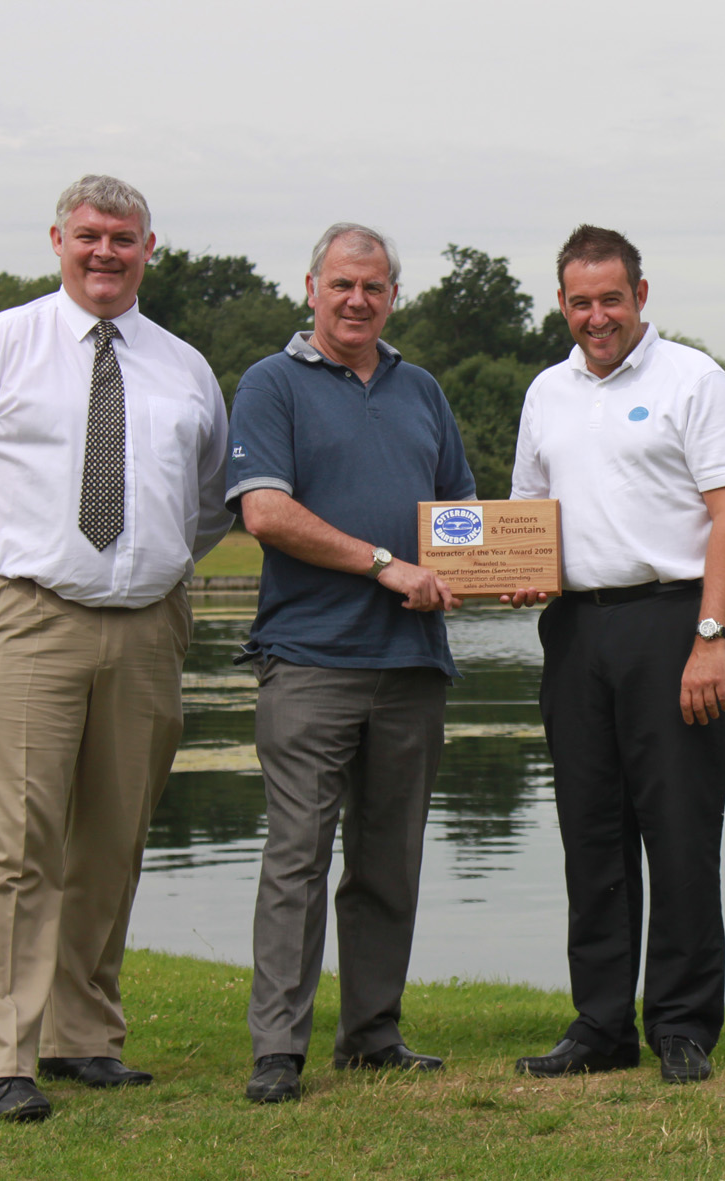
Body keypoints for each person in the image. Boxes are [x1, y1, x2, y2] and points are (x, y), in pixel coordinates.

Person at [0, 175, 232, 1121]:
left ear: (149, 248)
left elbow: (210, 500)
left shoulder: (184, 367)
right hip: (26, 615)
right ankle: (2, 1055)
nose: (106, 252)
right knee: (9, 845)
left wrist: (154, 571)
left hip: (146, 626)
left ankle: (82, 1036)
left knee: (111, 840)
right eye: (90, 235)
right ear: (58, 238)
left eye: (125, 238)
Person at [224, 222, 474, 1104]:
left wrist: (506, 570)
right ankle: (277, 1051)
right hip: (310, 660)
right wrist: (384, 563)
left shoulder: (423, 390)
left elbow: (460, 515)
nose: (357, 300)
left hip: (411, 663)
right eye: (342, 285)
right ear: (312, 288)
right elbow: (265, 513)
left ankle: (371, 1033)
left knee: (387, 859)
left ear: (392, 296)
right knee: (297, 853)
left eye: (373, 287)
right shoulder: (271, 384)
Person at [507, 225, 725, 1084]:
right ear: (564, 303)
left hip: (672, 623)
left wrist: (711, 638)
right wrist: (515, 574)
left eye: (611, 298)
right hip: (576, 630)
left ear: (641, 296)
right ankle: (601, 1025)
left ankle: (683, 1024)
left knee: (680, 831)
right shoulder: (546, 391)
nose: (596, 315)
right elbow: (528, 513)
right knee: (592, 831)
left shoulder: (695, 379)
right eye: (580, 301)